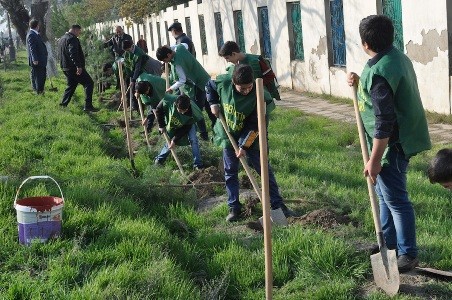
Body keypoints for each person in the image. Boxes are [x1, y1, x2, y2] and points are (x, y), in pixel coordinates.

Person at [347, 15, 431, 273]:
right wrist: (359, 82)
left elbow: (384, 122)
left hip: (392, 145)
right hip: (399, 138)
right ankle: (388, 244)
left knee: (396, 200)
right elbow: (382, 94)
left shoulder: (380, 73)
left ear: (364, 43)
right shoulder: (395, 58)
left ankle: (408, 253)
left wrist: (373, 160)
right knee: (384, 197)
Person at [206, 64, 295, 222]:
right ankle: (234, 207)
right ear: (234, 83)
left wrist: (243, 146)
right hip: (228, 133)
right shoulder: (224, 82)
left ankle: (277, 206)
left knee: (264, 171)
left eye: (249, 87)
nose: (246, 91)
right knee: (230, 172)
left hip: (251, 136)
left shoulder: (260, 96)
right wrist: (213, 103)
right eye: (242, 89)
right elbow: (209, 85)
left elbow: (255, 124)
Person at [156, 44, 215, 141]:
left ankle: (204, 135)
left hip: (197, 85)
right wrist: (168, 47)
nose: (165, 62)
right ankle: (214, 130)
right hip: (204, 79)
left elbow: (182, 80)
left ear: (168, 55)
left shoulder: (178, 64)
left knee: (197, 111)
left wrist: (171, 88)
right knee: (209, 106)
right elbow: (185, 45)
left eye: (164, 60)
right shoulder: (180, 48)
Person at [154, 94, 203, 170]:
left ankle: (198, 164)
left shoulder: (192, 112)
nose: (183, 113)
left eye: (185, 110)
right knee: (169, 140)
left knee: (193, 140)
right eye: (180, 111)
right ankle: (159, 160)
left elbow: (186, 128)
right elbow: (158, 110)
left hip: (187, 124)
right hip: (173, 120)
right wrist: (161, 125)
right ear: (175, 104)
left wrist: (175, 139)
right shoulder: (169, 100)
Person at [58, 24, 98, 112]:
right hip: (73, 67)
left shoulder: (62, 38)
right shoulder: (72, 39)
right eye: (79, 32)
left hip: (65, 66)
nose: (79, 34)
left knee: (71, 85)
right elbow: (73, 53)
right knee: (89, 83)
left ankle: (63, 104)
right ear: (75, 30)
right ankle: (88, 106)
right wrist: (78, 66)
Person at [26, 19, 48, 94]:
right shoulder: (31, 34)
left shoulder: (35, 34)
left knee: (42, 76)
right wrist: (34, 59)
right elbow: (32, 48)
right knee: (38, 77)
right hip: (37, 61)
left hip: (41, 60)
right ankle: (39, 92)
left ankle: (40, 90)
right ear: (37, 26)